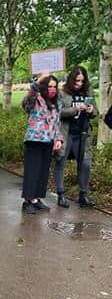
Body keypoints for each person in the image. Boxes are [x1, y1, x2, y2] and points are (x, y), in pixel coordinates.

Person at [54, 66, 97, 208]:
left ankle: (83, 195)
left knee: (85, 164)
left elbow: (95, 111)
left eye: (82, 81)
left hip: (83, 135)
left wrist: (91, 110)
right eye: (77, 80)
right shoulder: (63, 93)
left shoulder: (88, 92)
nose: (79, 83)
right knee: (61, 162)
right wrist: (75, 110)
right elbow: (57, 112)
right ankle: (60, 194)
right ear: (71, 79)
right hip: (67, 134)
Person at [21, 72, 63, 214]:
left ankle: (36, 199)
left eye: (55, 87)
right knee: (32, 171)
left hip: (49, 140)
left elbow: (57, 123)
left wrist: (58, 139)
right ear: (44, 87)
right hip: (34, 140)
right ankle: (27, 201)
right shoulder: (35, 99)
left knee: (42, 172)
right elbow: (26, 102)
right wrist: (39, 81)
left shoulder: (57, 103)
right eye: (50, 86)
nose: (52, 89)